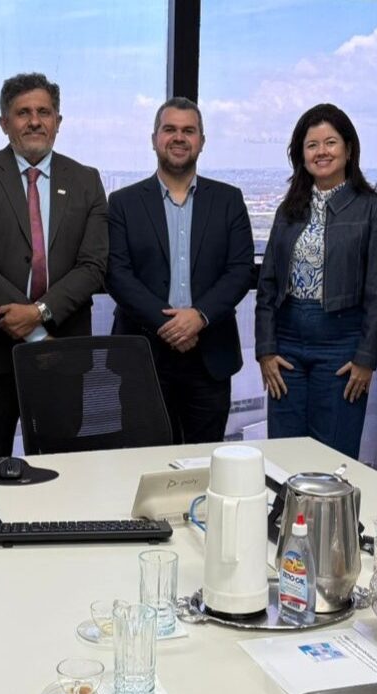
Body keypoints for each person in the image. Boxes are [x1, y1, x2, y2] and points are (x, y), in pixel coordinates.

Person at [0, 72, 108, 459]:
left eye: (44, 112)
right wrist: (35, 331)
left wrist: (39, 312)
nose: (34, 121)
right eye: (23, 113)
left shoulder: (86, 180)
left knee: (64, 466)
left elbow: (93, 265)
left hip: (64, 347)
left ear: (58, 121)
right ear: (4, 123)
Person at [106, 97, 254, 444]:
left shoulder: (229, 200)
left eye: (189, 131)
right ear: (154, 138)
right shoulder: (123, 202)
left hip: (210, 354)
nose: (179, 137)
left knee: (204, 460)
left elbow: (240, 270)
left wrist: (199, 316)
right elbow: (116, 273)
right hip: (143, 353)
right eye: (169, 129)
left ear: (201, 141)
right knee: (144, 461)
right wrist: (170, 325)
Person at [255, 103, 377, 460]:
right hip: (286, 347)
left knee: (331, 458)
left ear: (349, 149)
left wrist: (366, 358)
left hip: (341, 348)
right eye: (312, 145)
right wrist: (266, 350)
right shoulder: (289, 209)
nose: (321, 152)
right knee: (283, 456)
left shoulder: (373, 208)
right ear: (301, 156)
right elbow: (267, 284)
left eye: (330, 142)